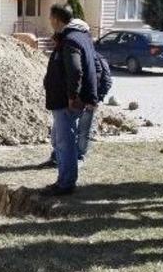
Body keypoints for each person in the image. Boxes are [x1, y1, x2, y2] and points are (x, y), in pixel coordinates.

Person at [41, 3, 97, 197]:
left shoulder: (71, 40)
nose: (49, 21)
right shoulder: (79, 37)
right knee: (61, 141)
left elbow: (75, 70)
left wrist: (72, 96)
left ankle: (66, 184)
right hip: (64, 101)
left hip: (66, 102)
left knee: (65, 143)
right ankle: (62, 180)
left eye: (51, 17)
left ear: (56, 19)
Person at [40, 29, 113, 168]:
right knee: (61, 132)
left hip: (86, 101)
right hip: (69, 102)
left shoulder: (94, 59)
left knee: (83, 131)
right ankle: (57, 157)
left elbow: (105, 81)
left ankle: (79, 157)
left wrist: (95, 99)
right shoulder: (64, 55)